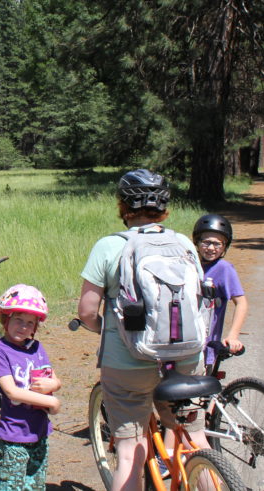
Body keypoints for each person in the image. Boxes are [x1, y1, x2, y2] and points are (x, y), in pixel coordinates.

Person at [76, 169, 209, 491]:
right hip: (186, 355)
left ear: (123, 205)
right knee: (194, 436)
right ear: (164, 205)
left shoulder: (109, 246)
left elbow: (87, 312)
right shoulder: (183, 244)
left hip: (127, 361)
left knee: (129, 450)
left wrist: (106, 330)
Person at [0, 283, 61, 491]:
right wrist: (51, 401)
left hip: (39, 432)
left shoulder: (36, 348)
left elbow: (55, 379)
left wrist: (52, 384)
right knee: (10, 486)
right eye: (18, 320)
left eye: (30, 323)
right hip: (14, 437)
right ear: (6, 319)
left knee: (35, 485)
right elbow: (12, 392)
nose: (24, 327)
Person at [192, 213, 249, 369]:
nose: (211, 248)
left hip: (206, 346)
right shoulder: (190, 265)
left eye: (218, 244)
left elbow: (241, 303)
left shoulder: (223, 269)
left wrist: (233, 336)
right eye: (206, 242)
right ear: (197, 242)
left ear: (225, 246)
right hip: (184, 343)